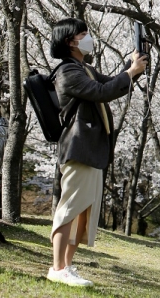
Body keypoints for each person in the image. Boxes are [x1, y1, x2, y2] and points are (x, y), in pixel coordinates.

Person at [47, 17, 147, 287]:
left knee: (84, 213)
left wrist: (131, 66)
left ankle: (66, 265)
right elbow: (101, 92)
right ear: (70, 41)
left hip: (90, 148)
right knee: (68, 208)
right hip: (78, 147)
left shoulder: (84, 68)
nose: (88, 38)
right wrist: (130, 72)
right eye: (83, 34)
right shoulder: (68, 72)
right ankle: (57, 267)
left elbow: (111, 83)